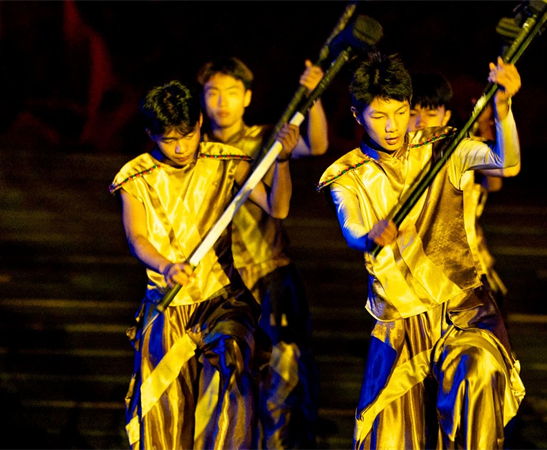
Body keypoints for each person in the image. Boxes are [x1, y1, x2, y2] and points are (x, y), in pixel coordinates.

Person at [318, 52, 525, 449]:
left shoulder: (443, 146)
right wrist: (370, 236)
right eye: (379, 116)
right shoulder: (346, 174)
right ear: (357, 115)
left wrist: (503, 106)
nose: (393, 126)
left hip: (461, 309)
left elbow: (507, 163)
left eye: (399, 112)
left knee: (478, 370)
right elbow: (352, 228)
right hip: (399, 324)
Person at [111, 80, 299, 449]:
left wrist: (282, 161)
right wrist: (166, 266)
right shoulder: (135, 176)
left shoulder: (225, 161)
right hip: (167, 304)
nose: (180, 147)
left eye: (187, 135)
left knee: (235, 364)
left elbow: (278, 208)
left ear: (199, 123)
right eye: (168, 140)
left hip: (221, 298)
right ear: (150, 134)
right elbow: (137, 238)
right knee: (162, 413)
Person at [196, 56, 326, 448]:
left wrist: (314, 95)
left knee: (284, 376)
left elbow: (317, 144)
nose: (222, 102)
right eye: (213, 93)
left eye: (231, 93)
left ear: (247, 97)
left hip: (271, 275)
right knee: (227, 379)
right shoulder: (196, 150)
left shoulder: (265, 138)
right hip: (222, 282)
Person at [408, 73, 510, 310]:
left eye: (431, 114)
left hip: (467, 266)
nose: (421, 122)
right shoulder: (397, 155)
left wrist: (485, 122)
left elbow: (497, 177)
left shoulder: (460, 150)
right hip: (417, 271)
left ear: (447, 115)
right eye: (413, 113)